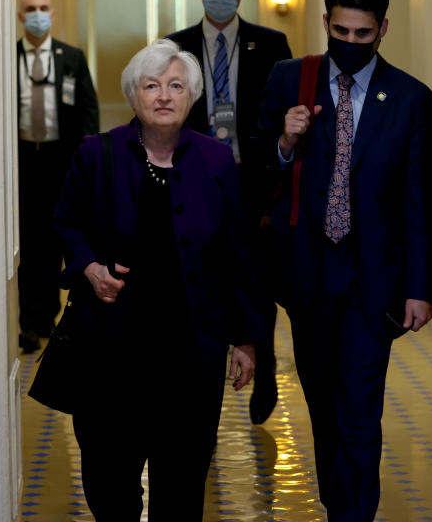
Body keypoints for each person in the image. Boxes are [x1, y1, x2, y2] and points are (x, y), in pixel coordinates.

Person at [53, 39, 266, 520]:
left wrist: (247, 340)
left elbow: (240, 255)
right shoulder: (95, 153)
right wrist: (89, 268)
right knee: (110, 487)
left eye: (176, 86)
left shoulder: (216, 162)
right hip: (110, 351)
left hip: (192, 353)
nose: (164, 95)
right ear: (134, 96)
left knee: (183, 487)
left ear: (191, 97)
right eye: (152, 86)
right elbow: (66, 223)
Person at [258, 0, 432, 521]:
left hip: (371, 282)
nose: (351, 44)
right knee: (324, 410)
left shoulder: (410, 99)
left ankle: (353, 515)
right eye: (342, 31)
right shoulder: (291, 79)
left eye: (363, 34)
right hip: (308, 278)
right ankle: (340, 506)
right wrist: (285, 142)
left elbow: (418, 200)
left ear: (382, 29)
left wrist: (420, 288)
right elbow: (255, 176)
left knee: (360, 412)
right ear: (326, 23)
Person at [167, 0, 291, 424]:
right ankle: (204, 390)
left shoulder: (272, 44)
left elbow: (282, 118)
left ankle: (266, 365)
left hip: (255, 184)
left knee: (257, 281)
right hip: (198, 183)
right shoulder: (175, 46)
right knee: (205, 282)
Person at [16, 0, 99, 353]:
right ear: (21, 16)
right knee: (28, 244)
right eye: (30, 9)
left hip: (60, 162)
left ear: (52, 13)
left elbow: (88, 112)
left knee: (57, 240)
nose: (37, 14)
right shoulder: (9, 57)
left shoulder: (72, 58)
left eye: (43, 8)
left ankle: (52, 317)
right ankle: (30, 322)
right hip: (21, 162)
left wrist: (87, 162)